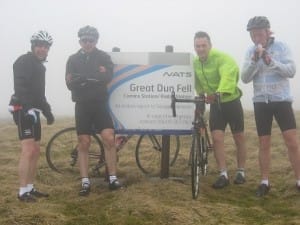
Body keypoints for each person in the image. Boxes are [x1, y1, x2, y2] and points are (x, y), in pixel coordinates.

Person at [241, 16, 300, 197]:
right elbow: (244, 78)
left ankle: (299, 180)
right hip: (261, 102)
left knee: (291, 141)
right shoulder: (250, 51)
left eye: (259, 33)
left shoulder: (281, 47)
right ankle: (265, 182)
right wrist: (254, 61)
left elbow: (291, 71)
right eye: (253, 34)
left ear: (268, 32)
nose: (256, 38)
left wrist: (270, 61)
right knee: (264, 143)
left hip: (281, 100)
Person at [65, 25, 122, 196]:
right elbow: (69, 83)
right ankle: (85, 181)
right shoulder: (72, 59)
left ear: (96, 41)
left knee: (109, 138)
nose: (88, 43)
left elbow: (108, 77)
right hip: (82, 105)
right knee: (84, 142)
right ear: (80, 41)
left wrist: (84, 79)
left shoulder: (103, 56)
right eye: (84, 40)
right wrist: (95, 77)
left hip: (99, 104)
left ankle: (112, 178)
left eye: (91, 40)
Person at [193, 31, 247, 189]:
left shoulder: (221, 57)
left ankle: (241, 171)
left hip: (231, 102)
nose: (201, 49)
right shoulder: (196, 63)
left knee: (239, 137)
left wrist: (219, 92)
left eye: (204, 45)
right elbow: (197, 82)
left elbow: (228, 73)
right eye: (197, 46)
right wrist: (200, 97)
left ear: (210, 45)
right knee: (217, 139)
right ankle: (223, 173)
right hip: (215, 106)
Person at [9, 30, 55, 202]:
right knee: (28, 151)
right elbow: (21, 88)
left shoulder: (40, 67)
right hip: (23, 109)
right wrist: (27, 109)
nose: (42, 49)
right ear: (33, 46)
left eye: (45, 47)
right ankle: (22, 192)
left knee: (36, 151)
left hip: (34, 111)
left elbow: (39, 94)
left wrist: (47, 110)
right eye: (39, 46)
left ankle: (30, 187)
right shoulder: (23, 61)